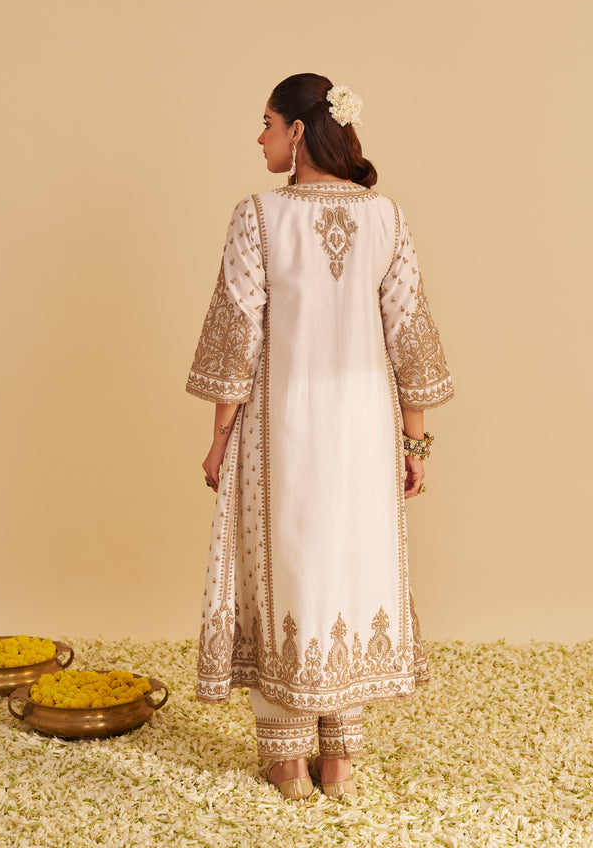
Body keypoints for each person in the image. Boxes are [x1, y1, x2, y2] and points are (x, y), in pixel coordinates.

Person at [186, 73, 454, 801]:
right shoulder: (387, 217)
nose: (261, 136)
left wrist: (218, 439)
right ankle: (338, 762)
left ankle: (286, 760)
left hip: (284, 429)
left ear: (300, 131)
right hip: (364, 432)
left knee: (287, 567)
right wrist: (414, 442)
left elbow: (235, 337)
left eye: (268, 122)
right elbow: (411, 334)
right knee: (351, 565)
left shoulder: (258, 217)